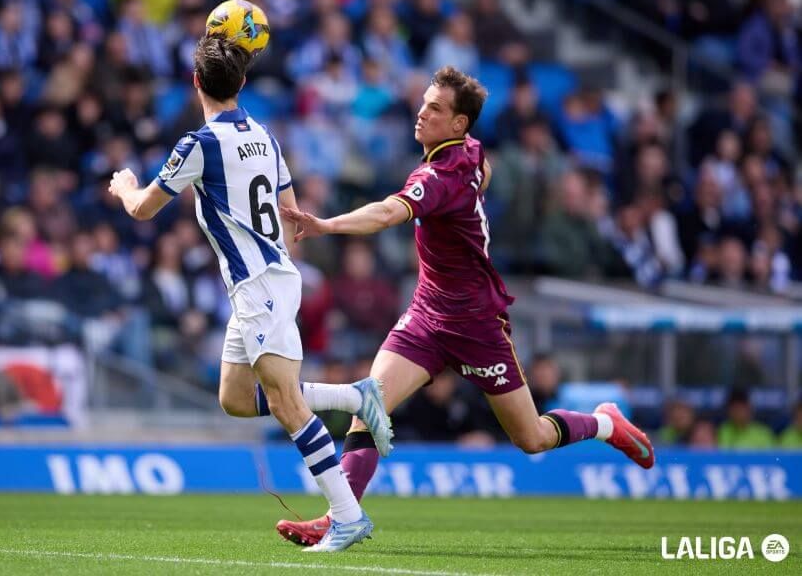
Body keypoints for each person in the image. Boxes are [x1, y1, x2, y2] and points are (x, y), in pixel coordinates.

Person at [277, 66, 656, 546]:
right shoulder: (471, 154)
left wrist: (326, 225)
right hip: (427, 315)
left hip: (477, 324)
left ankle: (606, 423)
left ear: (458, 124)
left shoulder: (438, 175)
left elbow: (389, 212)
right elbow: (486, 169)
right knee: (369, 408)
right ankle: (340, 518)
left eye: (435, 108)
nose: (421, 113)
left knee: (531, 438)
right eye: (424, 102)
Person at [107, 33, 392, 552]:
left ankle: (348, 517)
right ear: (242, 82)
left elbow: (144, 209)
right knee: (235, 398)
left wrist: (124, 184)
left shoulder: (199, 144)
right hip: (264, 281)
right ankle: (355, 396)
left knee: (285, 402)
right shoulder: (266, 135)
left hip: (260, 285)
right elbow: (290, 211)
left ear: (196, 83)